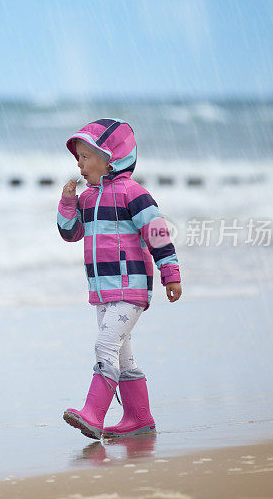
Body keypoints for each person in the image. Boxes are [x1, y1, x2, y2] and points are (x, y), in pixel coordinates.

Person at [57, 118, 182, 440]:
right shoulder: (87, 198)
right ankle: (139, 419)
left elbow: (158, 234)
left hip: (131, 289)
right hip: (102, 291)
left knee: (105, 344)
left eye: (86, 156)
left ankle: (93, 414)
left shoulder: (134, 194)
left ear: (110, 157)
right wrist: (68, 202)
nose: (80, 164)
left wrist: (170, 274)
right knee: (123, 357)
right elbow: (70, 234)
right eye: (78, 158)